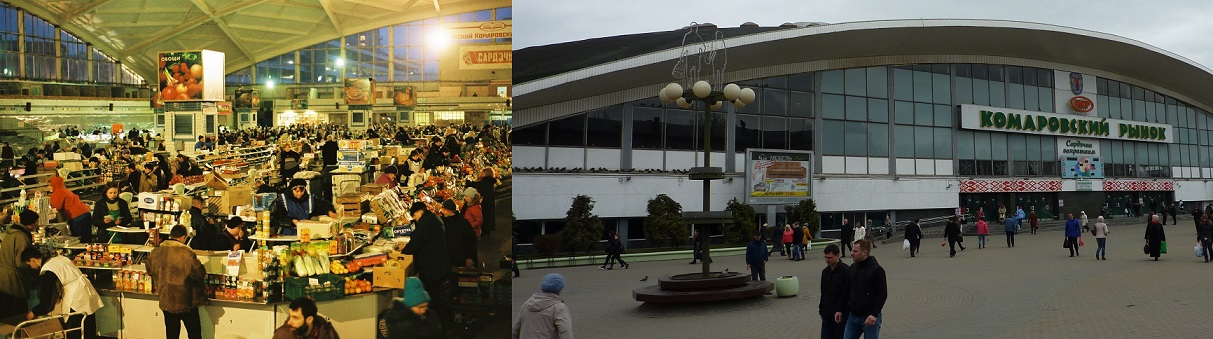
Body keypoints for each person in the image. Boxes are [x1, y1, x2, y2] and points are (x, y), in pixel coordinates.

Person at [22, 247, 103, 339]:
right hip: (86, 292)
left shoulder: (47, 271)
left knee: (75, 332)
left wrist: (34, 312)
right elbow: (64, 277)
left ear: (33, 260)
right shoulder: (58, 259)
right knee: (88, 329)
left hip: (75, 299)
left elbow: (46, 302)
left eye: (29, 265)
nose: (31, 268)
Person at [146, 225, 207, 339]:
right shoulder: (186, 253)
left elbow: (149, 270)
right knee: (194, 333)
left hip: (166, 299)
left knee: (171, 334)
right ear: (183, 237)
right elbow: (198, 274)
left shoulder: (156, 251)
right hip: (185, 300)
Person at [399, 202, 451, 326]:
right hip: (440, 264)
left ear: (419, 212)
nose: (414, 218)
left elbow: (416, 243)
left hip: (433, 267)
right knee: (436, 297)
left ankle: (437, 327)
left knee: (433, 300)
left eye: (414, 215)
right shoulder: (433, 218)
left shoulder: (425, 222)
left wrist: (403, 251)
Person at [843, 239, 887, 339]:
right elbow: (847, 290)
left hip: (870, 317)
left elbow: (882, 294)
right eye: (852, 250)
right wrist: (840, 309)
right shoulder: (853, 268)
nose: (851, 254)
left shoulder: (877, 270)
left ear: (865, 252)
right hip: (853, 316)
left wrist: (874, 314)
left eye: (855, 251)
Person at [0, 210, 38, 319]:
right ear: (31, 224)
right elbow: (21, 263)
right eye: (36, 222)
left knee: (6, 313)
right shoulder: (22, 238)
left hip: (3, 279)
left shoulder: (11, 232)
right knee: (16, 314)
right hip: (13, 282)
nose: (37, 224)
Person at [377, 277, 443, 339]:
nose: (423, 310)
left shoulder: (430, 317)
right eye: (420, 307)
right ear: (410, 306)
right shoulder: (400, 326)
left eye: (425, 306)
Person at [512, 273, 572, 339]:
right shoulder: (559, 308)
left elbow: (515, 330)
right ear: (560, 289)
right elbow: (565, 332)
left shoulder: (527, 304)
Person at [271, 179, 338, 236]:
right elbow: (275, 217)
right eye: (296, 191)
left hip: (305, 233)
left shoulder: (309, 200)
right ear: (291, 190)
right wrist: (291, 221)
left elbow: (323, 205)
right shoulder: (282, 200)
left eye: (302, 191)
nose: (299, 194)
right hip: (286, 234)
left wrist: (330, 211)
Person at [50, 176, 94, 244]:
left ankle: (79, 253)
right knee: (86, 238)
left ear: (55, 185)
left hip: (77, 216)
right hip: (85, 212)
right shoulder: (65, 190)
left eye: (50, 186)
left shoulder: (58, 193)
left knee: (78, 239)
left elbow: (56, 208)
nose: (48, 187)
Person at [273, 296, 340, 339]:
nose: (289, 322)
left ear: (309, 319)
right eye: (290, 316)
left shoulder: (326, 333)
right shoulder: (282, 335)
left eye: (295, 318)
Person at [820, 244, 849, 339]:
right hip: (826, 313)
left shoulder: (846, 271)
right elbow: (823, 292)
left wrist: (842, 310)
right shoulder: (825, 272)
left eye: (830, 257)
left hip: (840, 314)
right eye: (825, 257)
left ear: (838, 255)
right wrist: (821, 309)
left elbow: (847, 293)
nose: (827, 260)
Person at [440, 200, 477, 269]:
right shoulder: (442, 221)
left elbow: (471, 241)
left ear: (450, 211)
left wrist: (469, 257)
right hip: (448, 258)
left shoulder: (463, 223)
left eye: (444, 210)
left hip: (460, 258)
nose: (442, 211)